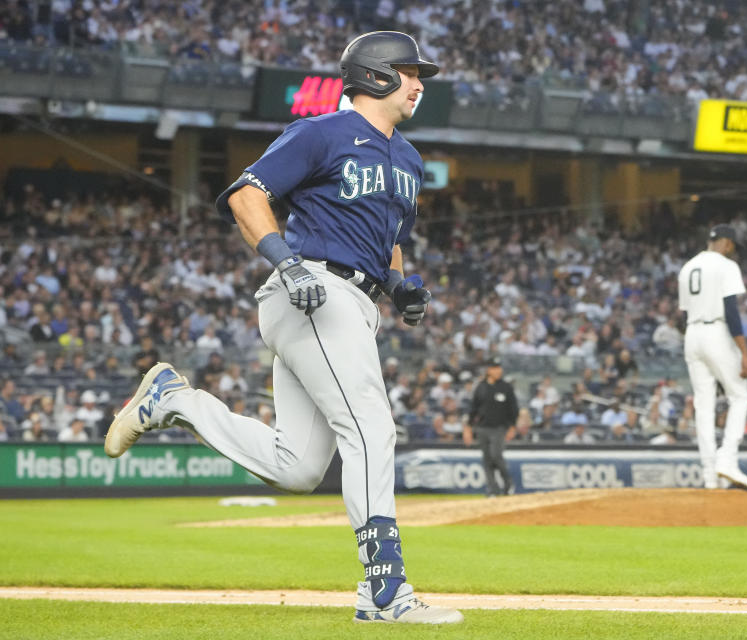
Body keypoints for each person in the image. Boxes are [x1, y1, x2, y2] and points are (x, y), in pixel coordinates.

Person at [103, 31, 461, 625]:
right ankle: (384, 590)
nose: (420, 83)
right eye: (409, 71)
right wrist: (286, 261)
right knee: (371, 426)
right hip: (314, 291)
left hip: (355, 301)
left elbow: (391, 241)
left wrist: (400, 286)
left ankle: (177, 402)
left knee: (298, 467)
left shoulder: (410, 158)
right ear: (374, 75)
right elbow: (248, 196)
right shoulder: (320, 132)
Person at [678, 224, 747, 489]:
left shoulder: (687, 267)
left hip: (692, 334)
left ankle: (710, 475)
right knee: (740, 396)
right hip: (716, 331)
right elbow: (731, 310)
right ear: (728, 244)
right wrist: (743, 351)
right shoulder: (726, 265)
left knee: (704, 406)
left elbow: (684, 314)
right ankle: (727, 459)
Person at [464, 357, 519, 497]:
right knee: (487, 459)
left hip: (499, 428)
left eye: (499, 367)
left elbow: (513, 409)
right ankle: (493, 489)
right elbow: (473, 409)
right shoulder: (481, 387)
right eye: (495, 367)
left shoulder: (506, 387)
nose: (498, 370)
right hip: (482, 428)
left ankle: (508, 484)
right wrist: (468, 428)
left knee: (496, 456)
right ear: (489, 370)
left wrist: (513, 426)